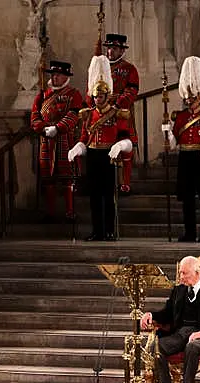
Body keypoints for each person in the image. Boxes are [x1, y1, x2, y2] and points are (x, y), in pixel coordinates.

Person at [68, 56, 131, 241]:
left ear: (107, 96)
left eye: (100, 97)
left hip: (109, 156)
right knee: (94, 197)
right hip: (94, 156)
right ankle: (97, 231)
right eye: (95, 97)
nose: (97, 100)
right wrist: (78, 148)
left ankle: (109, 230)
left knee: (108, 197)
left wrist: (119, 146)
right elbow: (84, 138)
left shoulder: (116, 114)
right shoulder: (88, 115)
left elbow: (125, 138)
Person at [163, 56, 200, 242]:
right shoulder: (180, 117)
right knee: (187, 198)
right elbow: (173, 145)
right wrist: (168, 133)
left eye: (192, 97)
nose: (189, 100)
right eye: (187, 97)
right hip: (185, 158)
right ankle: (189, 232)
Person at [31, 60, 83, 221]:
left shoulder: (74, 94)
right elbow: (34, 116)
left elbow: (74, 115)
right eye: (53, 75)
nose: (55, 78)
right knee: (48, 178)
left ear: (66, 76)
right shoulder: (42, 95)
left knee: (68, 177)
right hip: (46, 141)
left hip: (66, 139)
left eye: (58, 75)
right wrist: (42, 128)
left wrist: (58, 128)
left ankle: (69, 210)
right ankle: (50, 211)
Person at [102, 34, 139, 196]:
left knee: (125, 147)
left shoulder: (129, 69)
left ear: (122, 50)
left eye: (114, 48)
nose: (110, 51)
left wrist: (116, 102)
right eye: (108, 48)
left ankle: (125, 183)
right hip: (102, 113)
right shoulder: (101, 67)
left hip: (121, 113)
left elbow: (132, 91)